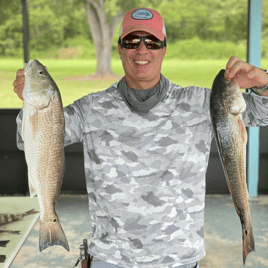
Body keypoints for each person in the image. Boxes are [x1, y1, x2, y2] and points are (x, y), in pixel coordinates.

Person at [13, 7, 268, 268]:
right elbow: (34, 140)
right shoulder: (91, 108)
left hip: (179, 260)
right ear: (120, 49)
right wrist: (30, 105)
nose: (142, 50)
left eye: (153, 42)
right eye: (132, 41)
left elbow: (262, 114)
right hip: (109, 259)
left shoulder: (199, 102)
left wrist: (262, 83)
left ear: (164, 49)